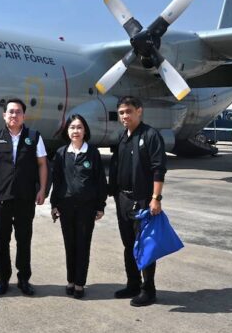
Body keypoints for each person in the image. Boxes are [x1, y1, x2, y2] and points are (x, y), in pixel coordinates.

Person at [0, 98, 48, 296]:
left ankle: (23, 279)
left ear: (24, 116)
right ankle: (3, 278)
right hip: (1, 198)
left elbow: (43, 164)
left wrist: (43, 189)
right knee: (1, 240)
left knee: (24, 240)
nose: (14, 115)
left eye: (18, 112)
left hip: (25, 198)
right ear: (4, 115)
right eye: (10, 112)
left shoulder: (34, 137)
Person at [108, 96, 167, 307]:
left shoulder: (150, 135)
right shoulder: (122, 137)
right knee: (128, 245)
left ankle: (148, 290)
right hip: (123, 199)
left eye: (129, 111)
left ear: (139, 111)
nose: (125, 116)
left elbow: (159, 168)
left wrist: (155, 198)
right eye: (121, 112)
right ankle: (132, 283)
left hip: (143, 200)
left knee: (145, 246)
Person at [50, 115, 107, 299]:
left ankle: (80, 283)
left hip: (86, 207)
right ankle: (70, 281)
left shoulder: (92, 153)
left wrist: (100, 206)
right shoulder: (60, 153)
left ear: (85, 131)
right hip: (66, 206)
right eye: (72, 127)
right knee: (70, 245)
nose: (76, 131)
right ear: (67, 131)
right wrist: (54, 204)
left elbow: (100, 181)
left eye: (79, 127)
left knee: (83, 245)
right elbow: (56, 180)